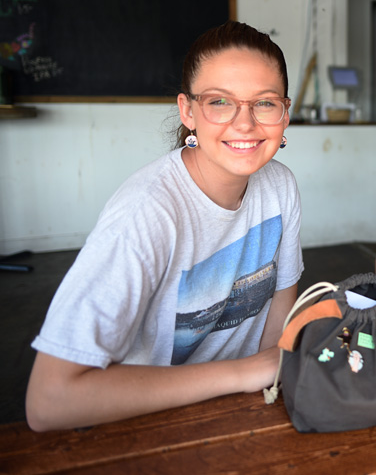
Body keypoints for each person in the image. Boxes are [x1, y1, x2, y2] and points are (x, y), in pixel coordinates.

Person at [25, 21, 303, 431]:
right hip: (147, 426)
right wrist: (246, 373)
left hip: (238, 415)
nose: (244, 124)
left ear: (284, 113)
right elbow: (48, 401)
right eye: (219, 102)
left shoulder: (280, 186)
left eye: (264, 103)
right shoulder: (146, 213)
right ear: (188, 111)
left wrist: (265, 388)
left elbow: (282, 296)